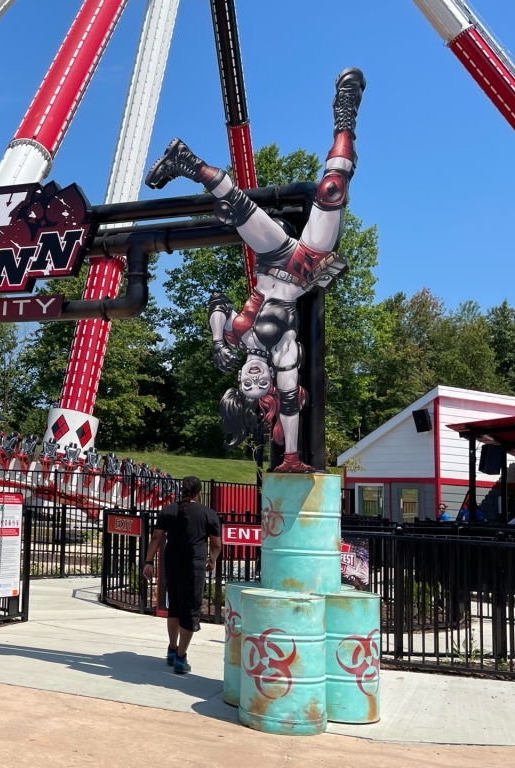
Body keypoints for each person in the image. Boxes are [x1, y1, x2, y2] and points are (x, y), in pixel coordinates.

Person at [145, 68, 365, 472]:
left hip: (272, 259)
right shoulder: (283, 354)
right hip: (303, 269)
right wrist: (292, 458)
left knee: (240, 207)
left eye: (246, 383)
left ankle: (185, 160)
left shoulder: (238, 339)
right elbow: (288, 404)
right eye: (256, 385)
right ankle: (345, 115)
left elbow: (217, 301)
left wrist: (217, 342)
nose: (252, 378)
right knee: (331, 190)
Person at [142, 476, 222, 674]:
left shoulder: (167, 510)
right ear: (199, 493)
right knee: (191, 611)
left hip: (172, 565)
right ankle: (180, 657)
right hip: (193, 567)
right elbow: (216, 544)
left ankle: (171, 648)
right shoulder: (208, 514)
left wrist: (148, 561)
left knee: (175, 608)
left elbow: (156, 538)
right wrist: (212, 560)